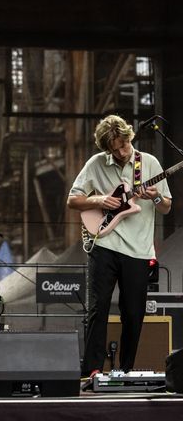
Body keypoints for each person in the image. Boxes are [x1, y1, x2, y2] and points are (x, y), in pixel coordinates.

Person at [67, 114, 172, 377]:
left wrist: (156, 196)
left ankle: (125, 371)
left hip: (138, 249)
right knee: (97, 309)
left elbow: (167, 207)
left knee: (134, 314)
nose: (121, 153)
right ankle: (91, 370)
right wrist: (101, 200)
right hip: (104, 243)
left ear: (129, 138)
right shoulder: (96, 163)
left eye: (123, 146)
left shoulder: (148, 163)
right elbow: (73, 199)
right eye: (113, 150)